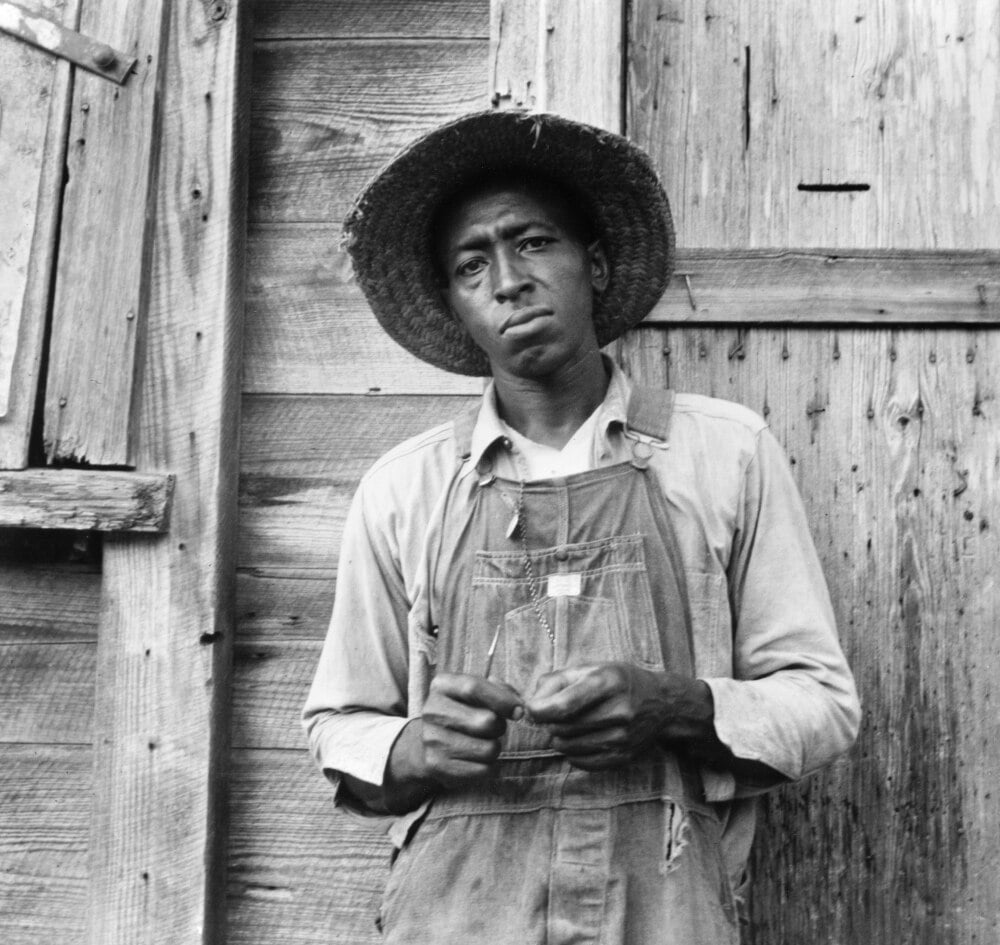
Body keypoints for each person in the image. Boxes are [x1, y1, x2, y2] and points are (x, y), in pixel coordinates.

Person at [303, 110, 860, 944]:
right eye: (471, 265)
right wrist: (417, 747)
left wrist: (677, 705)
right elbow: (339, 724)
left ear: (593, 265)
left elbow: (821, 703)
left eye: (532, 243)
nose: (508, 281)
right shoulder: (406, 490)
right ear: (458, 306)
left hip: (665, 909)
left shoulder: (725, 454)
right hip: (457, 915)